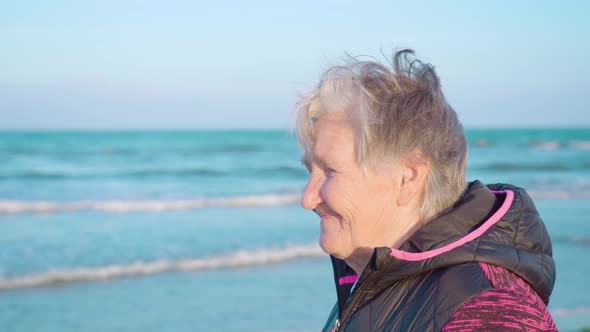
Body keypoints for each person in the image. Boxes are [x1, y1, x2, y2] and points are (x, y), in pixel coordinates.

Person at [295, 49, 557, 331]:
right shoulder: (374, 282)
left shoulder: (490, 314)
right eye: (311, 172)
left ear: (408, 176)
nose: (308, 199)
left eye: (331, 171)